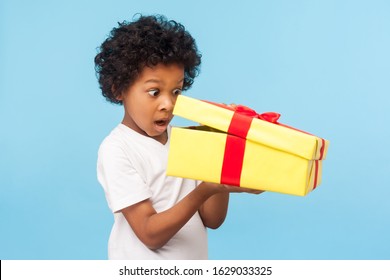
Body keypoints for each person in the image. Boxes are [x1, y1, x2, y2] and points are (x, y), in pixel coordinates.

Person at [95, 14, 262, 260]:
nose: (168, 104)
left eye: (176, 91)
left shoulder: (185, 140)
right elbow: (150, 234)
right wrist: (204, 190)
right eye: (154, 92)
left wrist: (221, 148)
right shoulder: (117, 149)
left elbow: (212, 219)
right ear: (118, 89)